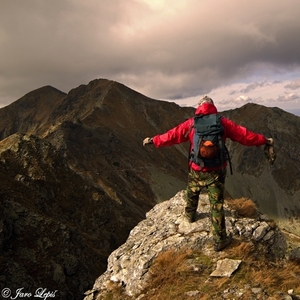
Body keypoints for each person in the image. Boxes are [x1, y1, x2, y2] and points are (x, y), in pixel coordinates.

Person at [143, 96, 275, 251]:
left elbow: (173, 135)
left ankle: (190, 216)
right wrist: (264, 140)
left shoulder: (192, 123)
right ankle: (220, 239)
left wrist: (154, 140)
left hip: (196, 169)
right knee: (216, 204)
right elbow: (245, 135)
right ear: (212, 106)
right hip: (217, 170)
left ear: (199, 107)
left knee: (192, 193)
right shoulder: (223, 122)